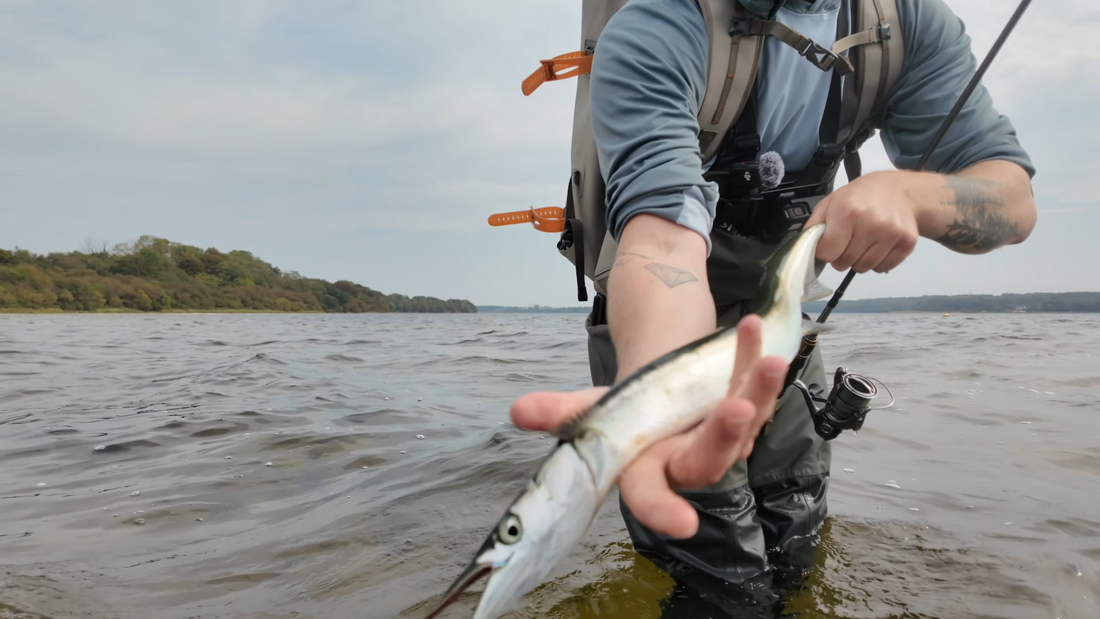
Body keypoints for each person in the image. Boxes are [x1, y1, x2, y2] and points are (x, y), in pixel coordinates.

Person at [510, 0, 1037, 601]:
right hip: (660, 321)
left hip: (781, 320)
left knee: (797, 550)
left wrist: (911, 195)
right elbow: (661, 242)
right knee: (721, 583)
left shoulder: (909, 22)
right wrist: (657, 397)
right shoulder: (658, 24)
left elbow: (1014, 202)